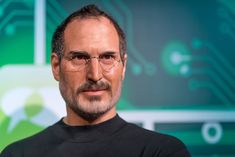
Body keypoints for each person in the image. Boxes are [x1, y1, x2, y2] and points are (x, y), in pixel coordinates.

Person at [0, 4, 190, 157]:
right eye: (80, 58)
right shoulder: (18, 154)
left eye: (107, 57)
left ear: (123, 67)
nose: (95, 74)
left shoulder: (163, 152)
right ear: (56, 67)